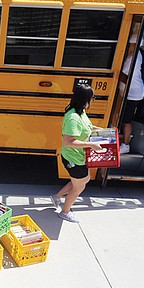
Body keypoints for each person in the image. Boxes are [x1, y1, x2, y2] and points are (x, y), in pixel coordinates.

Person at [50, 85, 103, 223]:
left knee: (82, 181)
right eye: (93, 97)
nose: (93, 100)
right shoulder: (73, 117)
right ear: (85, 99)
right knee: (79, 186)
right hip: (73, 159)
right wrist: (91, 145)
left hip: (78, 157)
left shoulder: (80, 111)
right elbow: (69, 141)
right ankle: (65, 212)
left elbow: (86, 128)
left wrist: (104, 131)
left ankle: (57, 197)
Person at [120, 50, 144, 154]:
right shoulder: (136, 53)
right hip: (135, 90)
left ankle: (126, 145)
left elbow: (123, 75)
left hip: (132, 93)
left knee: (126, 120)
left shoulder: (131, 56)